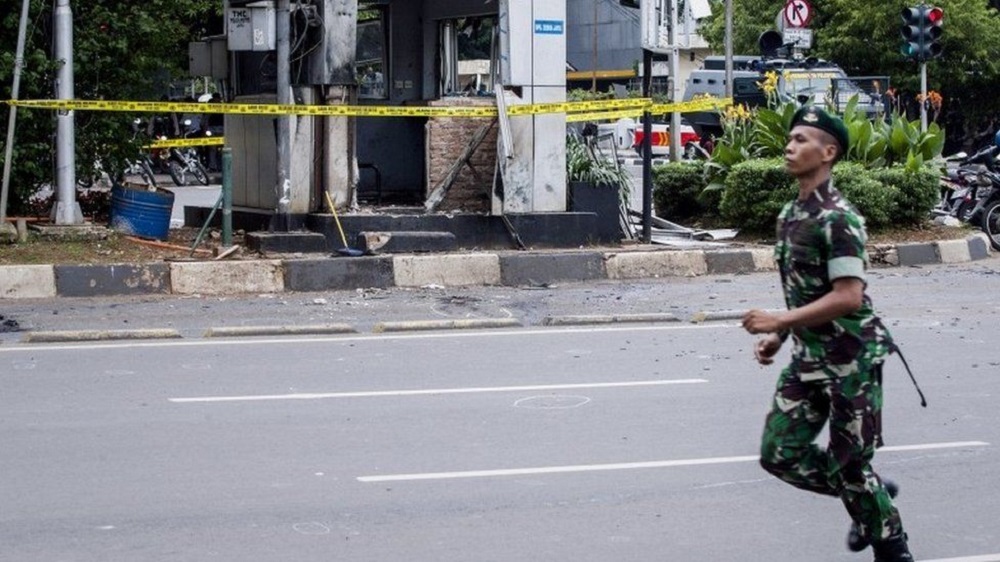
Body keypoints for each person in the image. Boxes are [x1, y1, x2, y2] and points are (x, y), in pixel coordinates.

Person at [741, 106, 914, 562]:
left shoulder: (839, 218)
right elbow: (804, 289)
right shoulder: (790, 213)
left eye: (802, 139)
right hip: (809, 356)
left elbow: (849, 296)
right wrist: (781, 337)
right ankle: (870, 498)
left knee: (852, 465)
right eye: (790, 137)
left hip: (852, 359)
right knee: (778, 454)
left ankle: (890, 543)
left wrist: (779, 321)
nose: (790, 146)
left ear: (828, 152)